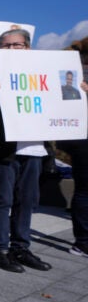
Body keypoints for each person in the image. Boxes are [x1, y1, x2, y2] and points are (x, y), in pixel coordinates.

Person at [0, 28, 51, 273]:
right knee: (2, 199)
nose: (13, 49)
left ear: (28, 48)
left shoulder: (42, 75)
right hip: (2, 150)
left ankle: (21, 247)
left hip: (33, 147)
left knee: (27, 200)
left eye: (19, 45)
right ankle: (0, 249)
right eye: (8, 45)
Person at [56, 37, 88, 258]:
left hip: (78, 139)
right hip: (82, 138)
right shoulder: (77, 74)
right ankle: (83, 241)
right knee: (85, 190)